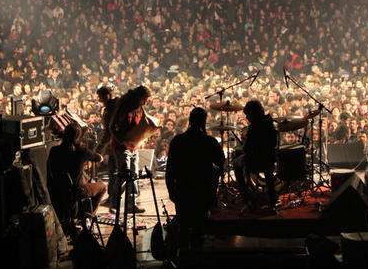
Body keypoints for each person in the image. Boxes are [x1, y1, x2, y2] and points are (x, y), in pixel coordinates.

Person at [165, 107, 224, 248]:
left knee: (184, 226)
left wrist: (171, 191)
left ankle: (183, 257)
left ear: (190, 121)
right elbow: (221, 161)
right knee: (199, 228)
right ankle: (197, 257)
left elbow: (170, 170)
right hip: (203, 190)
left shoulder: (177, 141)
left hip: (182, 189)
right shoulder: (209, 141)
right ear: (204, 122)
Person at [103, 85, 153, 213]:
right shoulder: (123, 106)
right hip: (121, 146)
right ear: (139, 97)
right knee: (123, 175)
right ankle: (114, 202)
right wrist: (124, 141)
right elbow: (112, 126)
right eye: (145, 99)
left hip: (133, 145)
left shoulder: (138, 107)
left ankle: (131, 204)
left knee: (134, 175)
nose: (146, 102)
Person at [48, 122, 106, 216]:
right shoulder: (82, 151)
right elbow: (98, 158)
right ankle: (88, 216)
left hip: (58, 190)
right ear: (78, 136)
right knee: (102, 187)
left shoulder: (54, 150)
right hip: (77, 191)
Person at [234, 100, 278, 210]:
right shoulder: (269, 122)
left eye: (248, 114)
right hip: (269, 158)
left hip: (256, 160)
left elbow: (247, 148)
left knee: (236, 163)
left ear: (253, 113)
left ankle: (247, 196)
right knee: (268, 170)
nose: (247, 118)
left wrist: (244, 142)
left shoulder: (254, 127)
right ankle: (272, 196)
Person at [94, 85, 119, 209]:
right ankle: (112, 198)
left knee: (115, 172)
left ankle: (114, 199)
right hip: (115, 145)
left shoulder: (111, 110)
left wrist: (98, 151)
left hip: (117, 145)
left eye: (100, 98)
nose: (99, 100)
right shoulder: (113, 107)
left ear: (107, 96)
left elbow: (107, 133)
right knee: (112, 171)